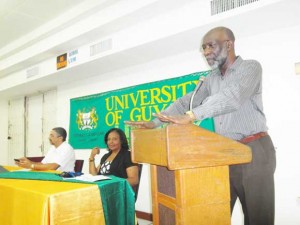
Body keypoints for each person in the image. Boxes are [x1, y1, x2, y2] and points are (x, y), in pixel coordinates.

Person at [125, 26, 276, 225]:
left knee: (258, 218)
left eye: (210, 46)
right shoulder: (211, 78)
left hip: (254, 150)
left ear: (229, 44)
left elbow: (232, 97)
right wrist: (154, 123)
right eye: (203, 48)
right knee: (215, 212)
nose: (206, 52)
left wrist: (193, 115)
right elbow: (186, 102)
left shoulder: (250, 67)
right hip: (223, 154)